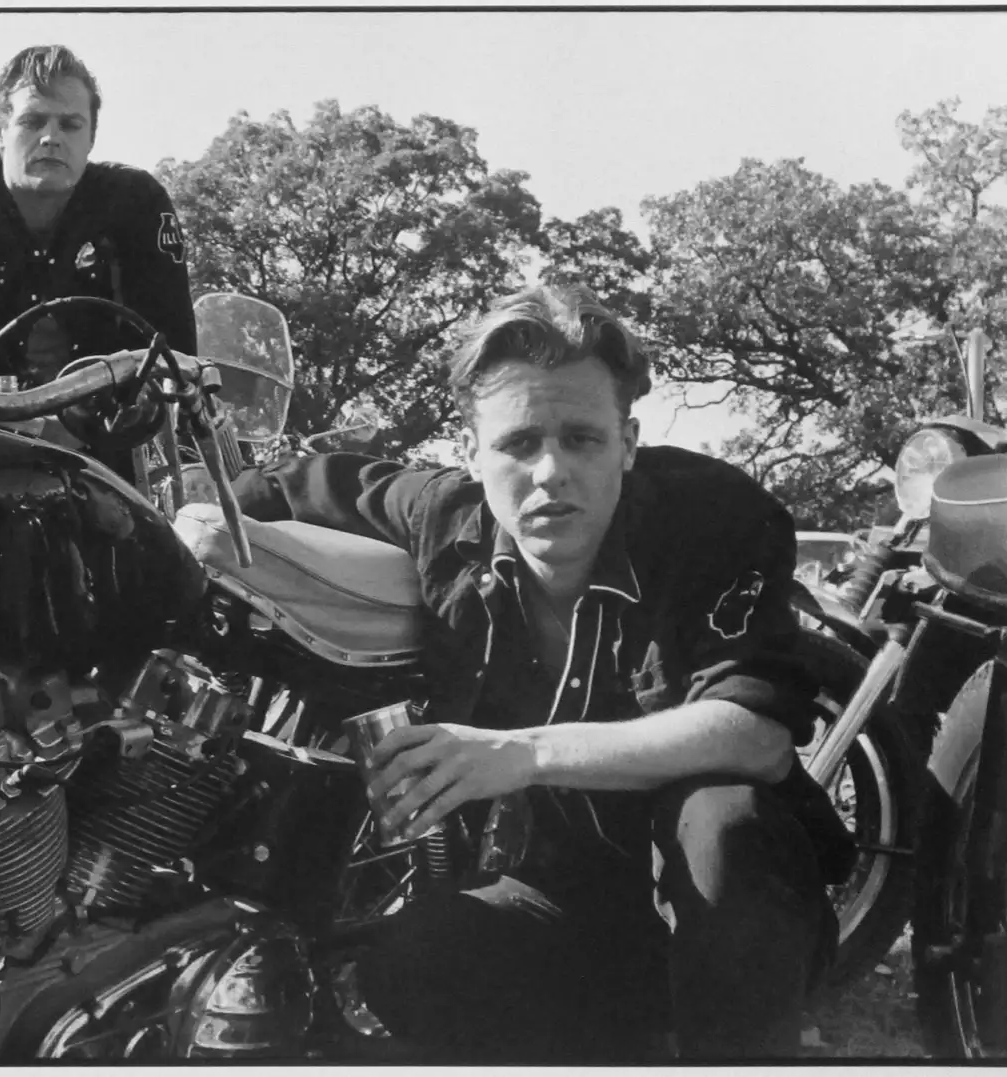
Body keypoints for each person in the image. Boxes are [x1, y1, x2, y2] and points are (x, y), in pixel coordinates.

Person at [233, 283, 853, 1062]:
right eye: (519, 443)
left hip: (732, 904)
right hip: (565, 901)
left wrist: (521, 752)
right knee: (413, 960)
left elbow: (755, 732)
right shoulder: (446, 513)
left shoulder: (715, 515)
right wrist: (200, 500)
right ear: (472, 454)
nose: (550, 470)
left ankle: (746, 1039)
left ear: (628, 442)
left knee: (725, 819)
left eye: (582, 438)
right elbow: (312, 478)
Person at [0, 44, 197, 387]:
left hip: (109, 428)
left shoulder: (137, 203)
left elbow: (174, 355)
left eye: (70, 125)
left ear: (92, 138)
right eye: (33, 122)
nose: (51, 138)